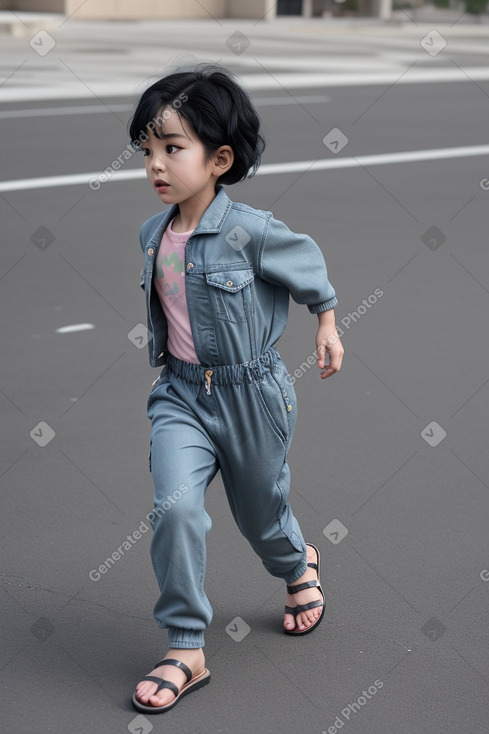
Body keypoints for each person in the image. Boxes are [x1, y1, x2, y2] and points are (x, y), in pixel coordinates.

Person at [129, 63, 344, 714]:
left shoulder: (253, 230)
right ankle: (185, 646)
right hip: (182, 396)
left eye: (172, 148)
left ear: (219, 158)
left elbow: (308, 269)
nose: (155, 165)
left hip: (253, 395)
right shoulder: (152, 234)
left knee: (260, 516)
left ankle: (294, 566)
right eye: (147, 150)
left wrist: (328, 324)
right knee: (174, 508)